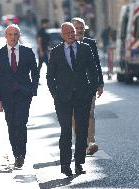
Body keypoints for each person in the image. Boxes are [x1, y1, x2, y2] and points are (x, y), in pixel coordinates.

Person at [46, 22, 98, 176]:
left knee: (81, 132)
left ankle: (79, 164)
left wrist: (91, 92)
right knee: (66, 131)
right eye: (67, 32)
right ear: (62, 35)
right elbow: (50, 76)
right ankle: (65, 165)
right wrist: (55, 94)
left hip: (83, 97)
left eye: (73, 32)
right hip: (63, 99)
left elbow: (93, 72)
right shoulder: (55, 52)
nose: (70, 35)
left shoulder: (85, 48)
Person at [0, 24, 39, 168]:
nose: (13, 37)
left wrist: (32, 90)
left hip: (24, 94)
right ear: (6, 37)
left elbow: (35, 73)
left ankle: (21, 155)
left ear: (19, 36)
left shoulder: (27, 52)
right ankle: (16, 153)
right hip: (7, 96)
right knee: (11, 125)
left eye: (16, 34)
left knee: (21, 123)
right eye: (10, 34)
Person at [71, 17, 104, 155]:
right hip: (71, 87)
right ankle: (81, 141)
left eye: (81, 28)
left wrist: (100, 83)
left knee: (89, 113)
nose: (79, 31)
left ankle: (91, 142)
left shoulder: (91, 43)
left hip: (89, 85)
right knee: (74, 115)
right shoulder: (64, 44)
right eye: (76, 28)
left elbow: (97, 64)